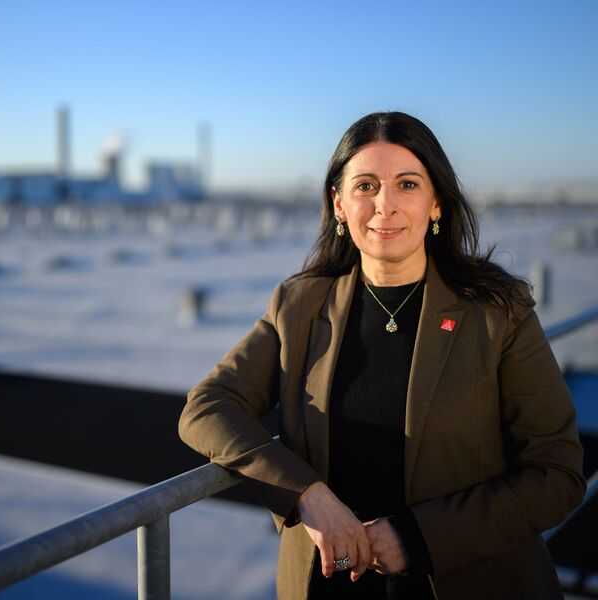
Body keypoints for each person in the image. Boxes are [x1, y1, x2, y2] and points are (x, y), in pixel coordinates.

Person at [178, 112, 586, 599]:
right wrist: (305, 494)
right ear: (339, 204)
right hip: (329, 586)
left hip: (468, 581)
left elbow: (556, 474)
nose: (384, 206)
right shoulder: (299, 305)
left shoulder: (497, 313)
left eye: (407, 184)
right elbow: (207, 407)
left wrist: (420, 536)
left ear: (436, 203)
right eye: (366, 186)